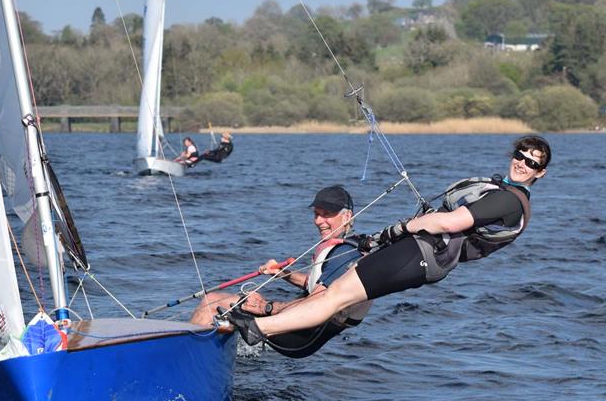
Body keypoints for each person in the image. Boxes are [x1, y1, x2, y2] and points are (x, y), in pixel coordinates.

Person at [224, 135, 552, 347]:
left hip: (423, 253)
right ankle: (264, 324)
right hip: (424, 255)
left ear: (541, 173)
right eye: (520, 155)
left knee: (336, 295)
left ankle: (257, 329)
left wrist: (398, 230)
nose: (522, 163)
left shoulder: (510, 201)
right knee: (337, 294)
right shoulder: (504, 191)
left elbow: (451, 222)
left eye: (532, 162)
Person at [191, 185, 372, 357]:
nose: (318, 221)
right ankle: (211, 357)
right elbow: (318, 284)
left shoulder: (344, 254)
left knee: (212, 301)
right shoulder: (347, 246)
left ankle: (183, 359)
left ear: (347, 215)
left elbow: (316, 303)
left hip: (299, 336)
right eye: (316, 214)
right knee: (223, 308)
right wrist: (283, 273)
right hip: (303, 330)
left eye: (326, 214)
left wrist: (266, 307)